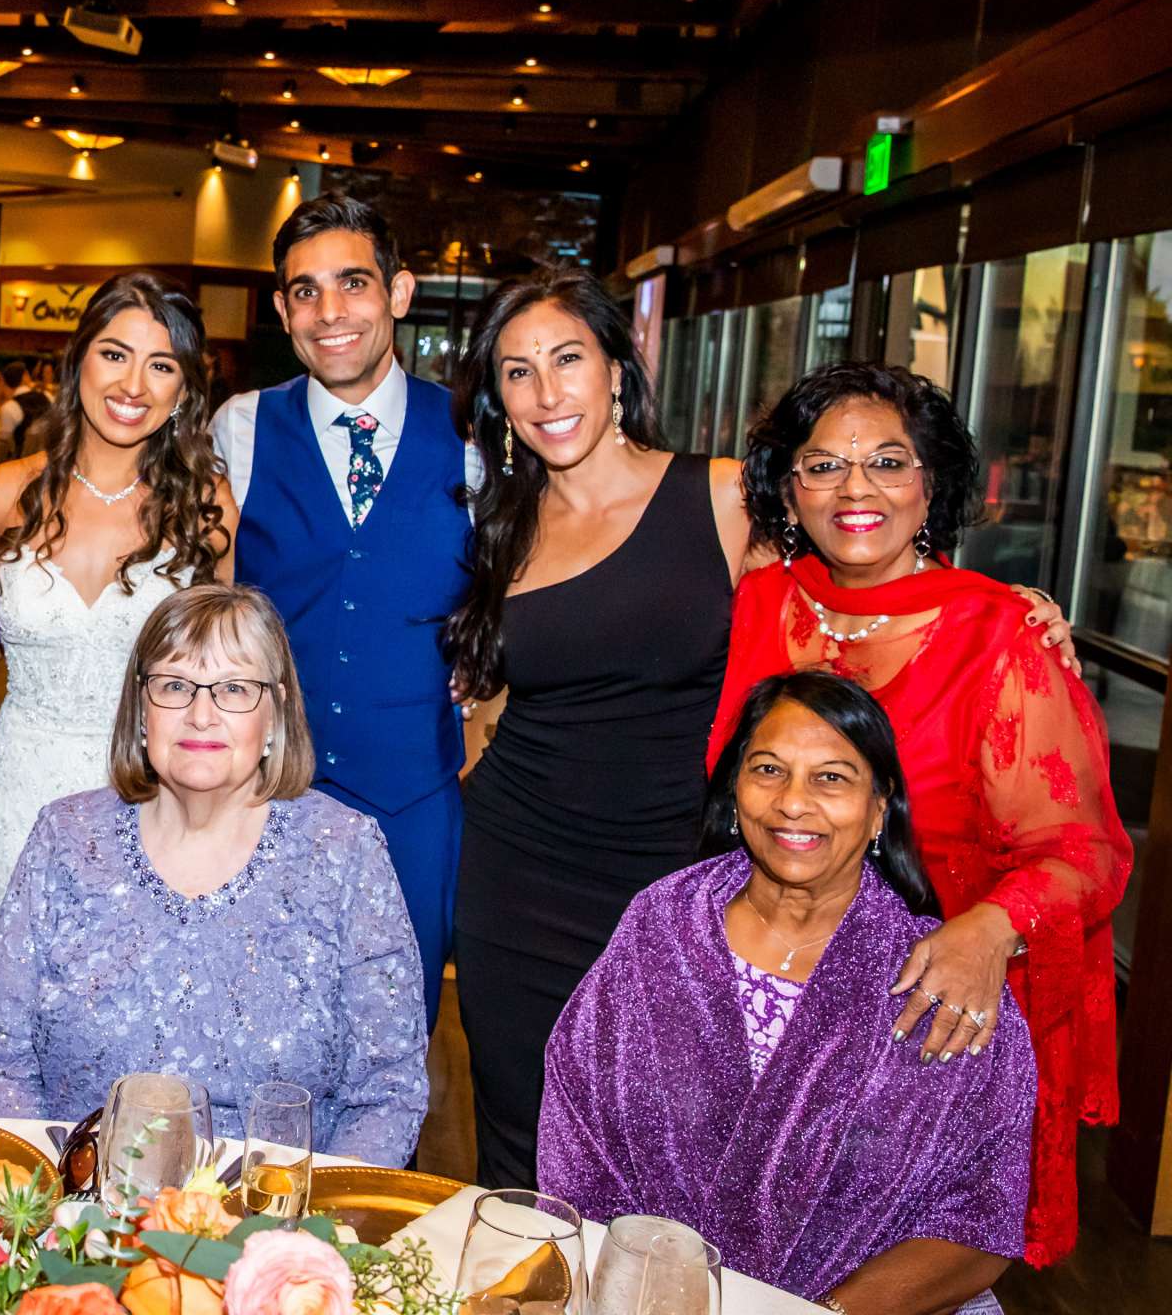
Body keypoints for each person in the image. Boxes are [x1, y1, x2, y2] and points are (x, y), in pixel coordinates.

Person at [710, 360, 1131, 1268]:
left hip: (923, 1021)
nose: (854, 488)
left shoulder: (1001, 633)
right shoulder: (761, 602)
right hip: (769, 997)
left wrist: (991, 930)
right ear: (788, 489)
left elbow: (1086, 851)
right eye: (823, 466)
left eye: (887, 462)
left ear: (931, 483)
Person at [542, 672, 1036, 1315]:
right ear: (735, 788)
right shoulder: (660, 925)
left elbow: (979, 1222)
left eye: (832, 777)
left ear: (880, 806)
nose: (793, 803)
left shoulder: (941, 980)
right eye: (769, 770)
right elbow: (577, 1132)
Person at [441, 265, 753, 1188]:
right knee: (520, 1129)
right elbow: (492, 686)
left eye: (568, 359)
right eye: (518, 371)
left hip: (674, 878)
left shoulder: (725, 498)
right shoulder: (504, 522)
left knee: (665, 1144)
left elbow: (849, 608)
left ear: (619, 367)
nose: (547, 392)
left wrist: (996, 604)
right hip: (515, 877)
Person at [0, 584, 428, 1164]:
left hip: (278, 1225)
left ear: (275, 712)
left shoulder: (345, 853)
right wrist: (54, 1192)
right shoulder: (65, 837)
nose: (201, 713)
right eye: (175, 686)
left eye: (234, 688)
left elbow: (387, 1092)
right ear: (142, 708)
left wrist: (308, 1236)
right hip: (79, 1221)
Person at [211, 192, 481, 1023]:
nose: (329, 312)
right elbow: (208, 601)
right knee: (248, 1031)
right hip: (265, 798)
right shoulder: (242, 427)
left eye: (353, 283)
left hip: (417, 800)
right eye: (304, 291)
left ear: (399, 293)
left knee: (396, 1039)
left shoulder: (475, 433)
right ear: (282, 309)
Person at [0, 271, 235, 920]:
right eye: (115, 355)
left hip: (157, 798)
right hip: (23, 792)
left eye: (161, 366)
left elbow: (225, 678)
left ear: (183, 388)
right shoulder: (6, 492)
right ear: (78, 359)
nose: (132, 386)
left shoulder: (205, 507)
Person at [0, 358, 48, 456]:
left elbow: (4, 444)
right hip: (50, 461)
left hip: (22, 463)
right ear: (25, 376)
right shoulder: (47, 396)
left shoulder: (9, 407)